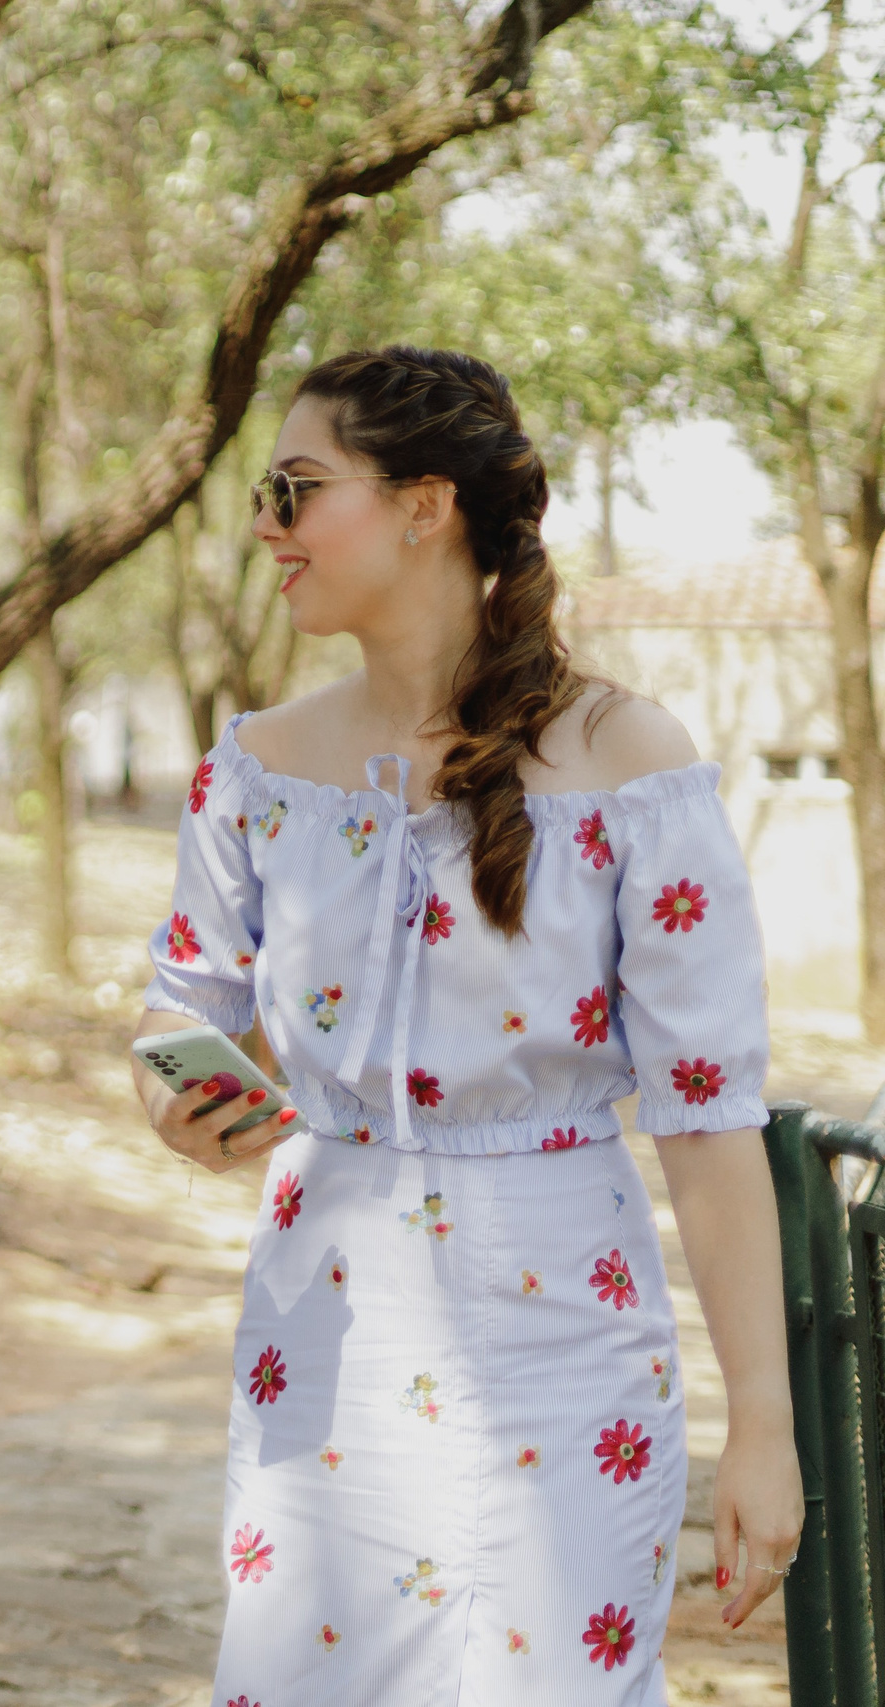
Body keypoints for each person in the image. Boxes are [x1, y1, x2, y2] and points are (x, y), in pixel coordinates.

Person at [131, 347, 801, 1704]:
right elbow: (183, 1005)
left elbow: (709, 1122)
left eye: (296, 489)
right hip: (322, 1334)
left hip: (568, 1340)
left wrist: (763, 1429)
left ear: (424, 505)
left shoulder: (632, 767)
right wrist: (179, 1106)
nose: (266, 526)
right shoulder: (254, 770)